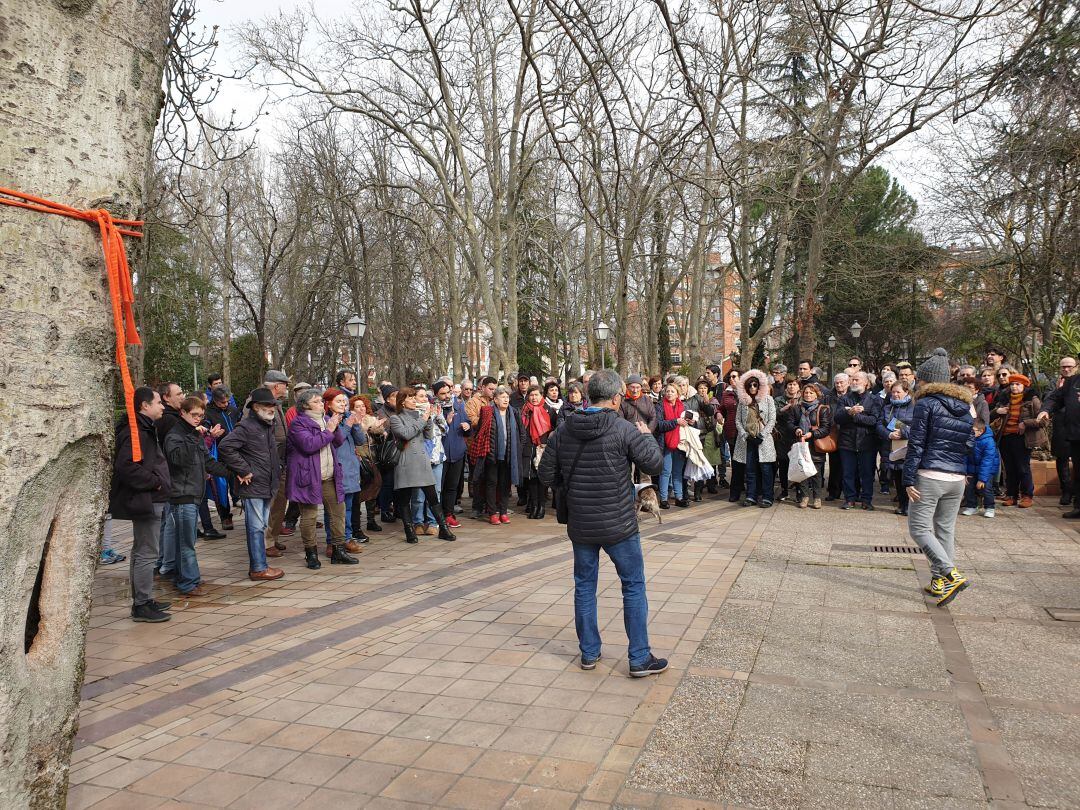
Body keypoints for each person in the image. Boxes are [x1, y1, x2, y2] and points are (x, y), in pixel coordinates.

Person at [537, 369, 668, 676]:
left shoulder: (565, 429)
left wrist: (569, 485)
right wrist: (648, 436)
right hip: (619, 523)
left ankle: (589, 653)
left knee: (584, 587)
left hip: (581, 522)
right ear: (616, 398)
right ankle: (638, 657)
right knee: (633, 586)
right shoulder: (624, 428)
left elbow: (545, 475)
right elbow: (654, 464)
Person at [903, 348, 974, 605]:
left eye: (918, 379)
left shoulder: (926, 404)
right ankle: (939, 582)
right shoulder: (965, 406)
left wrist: (908, 479)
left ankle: (950, 574)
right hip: (956, 478)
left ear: (927, 380)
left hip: (930, 475)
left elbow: (917, 443)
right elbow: (969, 443)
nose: (915, 383)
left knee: (919, 528)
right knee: (945, 530)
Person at [110, 387, 172, 622]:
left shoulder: (143, 429)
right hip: (148, 499)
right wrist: (155, 483)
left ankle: (143, 599)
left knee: (141, 551)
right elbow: (126, 466)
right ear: (144, 406)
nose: (162, 406)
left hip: (151, 498)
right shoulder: (136, 432)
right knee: (147, 553)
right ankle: (142, 604)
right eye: (158, 402)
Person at [162, 396, 232, 596]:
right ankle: (187, 582)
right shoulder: (175, 435)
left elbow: (208, 462)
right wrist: (194, 436)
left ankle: (185, 578)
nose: (198, 419)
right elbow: (177, 460)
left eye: (201, 416)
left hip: (192, 494)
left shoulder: (193, 435)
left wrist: (234, 473)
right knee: (186, 543)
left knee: (186, 541)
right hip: (182, 495)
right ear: (182, 413)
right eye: (194, 415)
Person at [218, 387, 286, 581]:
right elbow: (225, 447)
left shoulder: (267, 425)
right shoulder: (246, 426)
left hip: (266, 483)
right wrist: (244, 470)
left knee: (261, 526)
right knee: (256, 528)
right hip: (254, 485)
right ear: (256, 407)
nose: (272, 408)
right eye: (267, 405)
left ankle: (260, 565)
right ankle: (258, 568)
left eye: (273, 405)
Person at [286, 388, 359, 568]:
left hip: (330, 475)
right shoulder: (298, 424)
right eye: (316, 401)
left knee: (338, 512)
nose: (321, 404)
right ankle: (311, 553)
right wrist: (330, 429)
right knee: (310, 516)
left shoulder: (326, 419)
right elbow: (310, 445)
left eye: (321, 401)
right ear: (305, 405)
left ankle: (338, 550)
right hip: (308, 477)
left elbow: (338, 441)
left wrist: (337, 425)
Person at [390, 386, 458, 542]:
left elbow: (428, 435)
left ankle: (443, 528)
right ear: (402, 401)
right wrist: (422, 419)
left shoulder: (419, 416)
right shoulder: (396, 418)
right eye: (411, 398)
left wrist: (428, 419)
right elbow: (406, 434)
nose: (414, 400)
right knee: (405, 498)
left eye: (415, 397)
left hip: (422, 461)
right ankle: (410, 531)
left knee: (433, 496)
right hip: (406, 462)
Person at [248, 371, 291, 557]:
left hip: (279, 462)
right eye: (285, 385)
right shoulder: (257, 402)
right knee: (269, 505)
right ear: (276, 385)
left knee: (280, 502)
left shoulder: (275, 403)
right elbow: (252, 433)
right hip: (266, 464)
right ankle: (265, 544)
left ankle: (271, 538)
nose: (286, 388)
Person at [322, 389, 368, 552]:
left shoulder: (347, 418)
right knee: (333, 508)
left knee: (348, 506)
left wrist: (355, 425)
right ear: (328, 403)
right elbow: (338, 440)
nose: (343, 404)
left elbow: (361, 440)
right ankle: (332, 541)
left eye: (345, 402)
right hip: (336, 468)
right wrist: (348, 425)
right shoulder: (326, 420)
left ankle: (347, 538)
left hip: (351, 467)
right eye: (339, 401)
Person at [991, 373, 1044, 508]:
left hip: (1022, 438)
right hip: (1005, 437)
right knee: (1009, 468)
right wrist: (998, 411)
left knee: (1022, 467)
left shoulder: (1032, 400)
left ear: (1025, 386)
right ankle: (1011, 495)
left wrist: (1026, 423)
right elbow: (991, 415)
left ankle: (1027, 495)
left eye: (1018, 384)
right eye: (1012, 384)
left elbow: (1044, 421)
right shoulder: (1004, 398)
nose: (1014, 387)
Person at [835, 371, 883, 510]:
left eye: (857, 380)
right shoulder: (845, 399)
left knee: (867, 473)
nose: (854, 382)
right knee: (848, 473)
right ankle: (849, 499)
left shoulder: (875, 399)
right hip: (847, 442)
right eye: (853, 380)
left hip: (867, 442)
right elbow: (837, 418)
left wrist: (856, 416)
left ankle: (866, 500)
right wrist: (849, 412)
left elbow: (873, 420)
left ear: (866, 383)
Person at [1037, 362, 1080, 518]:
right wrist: (1045, 410)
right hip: (1075, 436)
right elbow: (1055, 398)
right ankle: (1078, 507)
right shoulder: (1073, 382)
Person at [475, 386, 522, 524]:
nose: (506, 399)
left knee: (505, 485)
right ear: (495, 400)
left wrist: (518, 449)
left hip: (509, 455)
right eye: (502, 397)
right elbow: (480, 432)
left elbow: (521, 433)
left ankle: (503, 511)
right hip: (492, 455)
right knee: (491, 483)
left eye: (507, 397)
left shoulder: (513, 412)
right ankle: (492, 513)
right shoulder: (487, 412)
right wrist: (487, 451)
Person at [734, 370, 777, 508]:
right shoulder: (742, 402)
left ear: (759, 386)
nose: (752, 388)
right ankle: (751, 496)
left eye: (755, 385)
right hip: (747, 440)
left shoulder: (768, 399)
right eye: (750, 385)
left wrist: (762, 435)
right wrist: (745, 435)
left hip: (763, 440)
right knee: (750, 470)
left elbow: (772, 420)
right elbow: (738, 421)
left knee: (766, 469)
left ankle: (767, 497)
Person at [877, 380, 915, 515]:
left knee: (909, 477)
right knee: (897, 477)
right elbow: (879, 425)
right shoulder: (888, 407)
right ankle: (902, 504)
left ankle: (911, 506)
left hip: (909, 447)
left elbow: (919, 428)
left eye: (898, 392)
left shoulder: (915, 406)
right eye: (893, 392)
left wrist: (903, 432)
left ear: (906, 392)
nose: (895, 394)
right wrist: (889, 434)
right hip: (892, 447)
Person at [792, 382, 831, 509]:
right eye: (806, 393)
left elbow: (826, 428)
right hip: (801, 443)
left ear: (817, 394)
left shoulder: (823, 409)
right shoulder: (797, 408)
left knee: (816, 473)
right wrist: (796, 429)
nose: (808, 395)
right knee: (803, 471)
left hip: (815, 445)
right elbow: (790, 423)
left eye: (811, 393)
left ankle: (817, 498)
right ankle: (804, 497)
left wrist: (812, 434)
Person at [435, 380, 468, 527]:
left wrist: (468, 426)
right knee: (439, 487)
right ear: (436, 394)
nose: (447, 396)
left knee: (452, 486)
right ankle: (437, 515)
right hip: (440, 455)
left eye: (448, 392)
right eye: (442, 393)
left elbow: (467, 424)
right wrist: (446, 423)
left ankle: (449, 513)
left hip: (457, 452)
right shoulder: (434, 409)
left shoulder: (459, 406)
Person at [521, 385, 557, 518]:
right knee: (531, 478)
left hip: (543, 448)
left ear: (542, 396)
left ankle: (541, 507)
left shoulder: (550, 410)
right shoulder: (524, 411)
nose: (534, 398)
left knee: (541, 478)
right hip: (528, 448)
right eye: (531, 395)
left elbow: (555, 428)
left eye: (536, 395)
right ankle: (534, 505)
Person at [351, 394, 385, 533]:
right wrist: (369, 428)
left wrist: (377, 430)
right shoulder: (352, 421)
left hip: (372, 458)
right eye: (357, 406)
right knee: (359, 490)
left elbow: (380, 437)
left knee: (375, 485)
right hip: (358, 458)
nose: (361, 409)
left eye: (363, 406)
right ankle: (356, 523)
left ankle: (371, 520)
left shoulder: (372, 419)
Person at [465, 376, 498, 519]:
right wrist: (488, 417)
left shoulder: (496, 401)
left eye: (495, 389)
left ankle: (491, 505)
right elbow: (472, 419)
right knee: (477, 476)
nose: (492, 392)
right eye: (490, 389)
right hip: (477, 443)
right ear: (482, 387)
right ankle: (477, 507)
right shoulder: (473, 402)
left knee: (492, 478)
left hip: (493, 443)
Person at [656, 383, 690, 508]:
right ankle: (663, 499)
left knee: (677, 472)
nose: (669, 393)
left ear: (677, 394)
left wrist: (690, 422)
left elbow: (689, 424)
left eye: (672, 391)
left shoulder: (683, 406)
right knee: (665, 471)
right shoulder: (660, 406)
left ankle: (679, 497)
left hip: (680, 443)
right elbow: (659, 424)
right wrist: (675, 422)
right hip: (665, 443)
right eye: (667, 391)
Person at [1049, 357, 1077, 506]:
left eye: (1070, 367)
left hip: (1076, 427)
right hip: (1061, 427)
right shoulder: (1053, 383)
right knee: (1062, 459)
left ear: (1076, 367)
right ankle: (1066, 490)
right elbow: (1048, 401)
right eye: (1063, 367)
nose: (1066, 369)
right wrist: (1058, 389)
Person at [686, 377, 720, 497]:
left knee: (711, 459)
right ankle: (698, 489)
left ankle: (711, 484)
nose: (703, 390)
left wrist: (707, 403)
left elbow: (712, 412)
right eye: (700, 388)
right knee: (699, 460)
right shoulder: (692, 400)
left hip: (711, 432)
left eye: (705, 388)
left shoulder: (712, 400)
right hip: (698, 432)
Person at [960, 419, 998, 518]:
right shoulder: (968, 439)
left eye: (972, 431)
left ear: (980, 431)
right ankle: (972, 506)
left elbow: (987, 461)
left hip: (987, 469)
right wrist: (964, 473)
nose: (970, 433)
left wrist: (982, 479)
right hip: (972, 467)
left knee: (986, 488)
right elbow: (964, 456)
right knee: (968, 486)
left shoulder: (988, 441)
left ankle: (990, 507)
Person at [774, 376, 802, 502]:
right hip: (782, 436)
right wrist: (784, 408)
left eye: (794, 384)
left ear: (798, 387)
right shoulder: (779, 400)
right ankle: (784, 490)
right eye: (789, 384)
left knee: (798, 464)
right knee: (783, 464)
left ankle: (799, 492)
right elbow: (773, 414)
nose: (792, 387)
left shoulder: (803, 398)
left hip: (797, 436)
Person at [719, 368, 741, 500]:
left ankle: (751, 491)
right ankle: (735, 492)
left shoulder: (748, 391)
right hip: (732, 432)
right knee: (735, 463)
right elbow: (721, 408)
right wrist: (719, 414)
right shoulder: (726, 393)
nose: (732, 379)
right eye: (730, 378)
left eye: (734, 377)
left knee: (748, 464)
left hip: (747, 433)